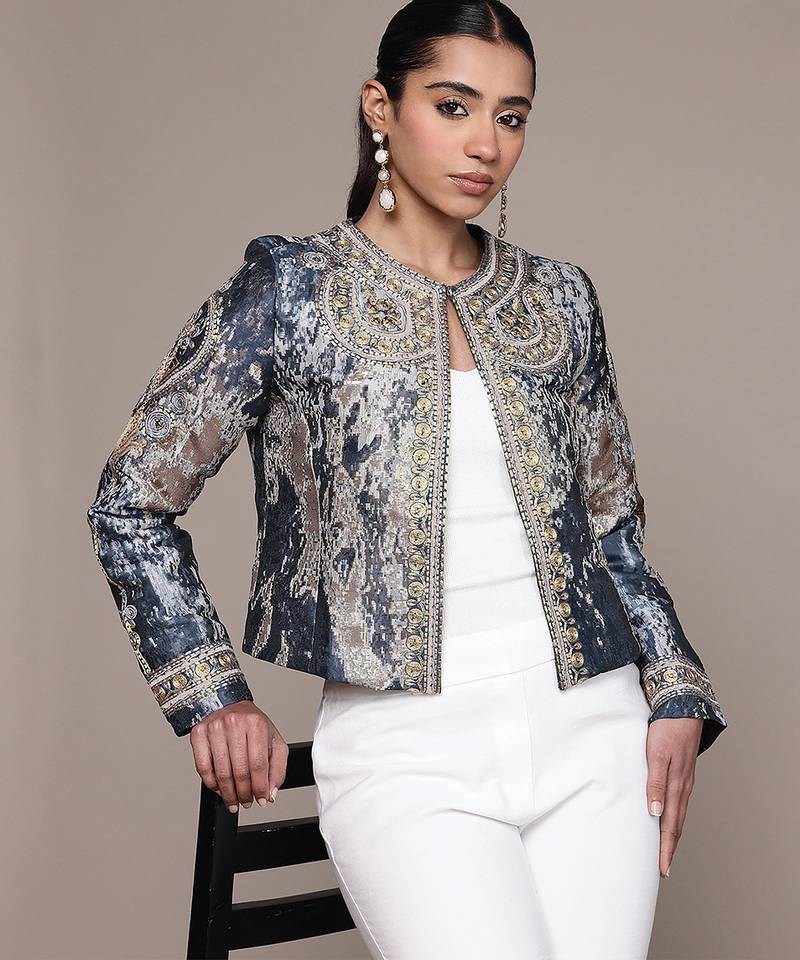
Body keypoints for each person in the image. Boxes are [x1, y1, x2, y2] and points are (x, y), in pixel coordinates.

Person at [86, 2, 728, 957]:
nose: (486, 144)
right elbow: (131, 501)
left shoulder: (561, 299)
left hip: (595, 735)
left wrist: (675, 690)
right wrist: (210, 691)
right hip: (408, 754)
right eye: (453, 106)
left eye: (511, 116)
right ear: (380, 107)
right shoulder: (291, 292)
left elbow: (612, 527)